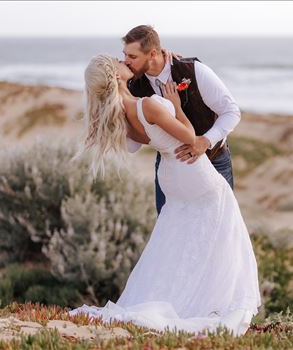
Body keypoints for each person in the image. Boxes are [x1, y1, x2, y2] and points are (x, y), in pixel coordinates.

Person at [69, 53, 261, 336]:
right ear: (116, 76)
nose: (125, 61)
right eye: (119, 61)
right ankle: (207, 302)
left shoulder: (121, 111)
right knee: (221, 230)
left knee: (175, 237)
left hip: (170, 175)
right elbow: (189, 137)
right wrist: (175, 106)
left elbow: (137, 144)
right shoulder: (146, 105)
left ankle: (184, 295)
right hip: (190, 169)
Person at [122, 25, 240, 215]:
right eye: (125, 55)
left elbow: (231, 111)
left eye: (132, 57)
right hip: (171, 168)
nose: (126, 62)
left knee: (220, 225)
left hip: (214, 160)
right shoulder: (133, 86)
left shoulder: (193, 71)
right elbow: (133, 146)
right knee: (169, 227)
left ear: (153, 54)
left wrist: (205, 141)